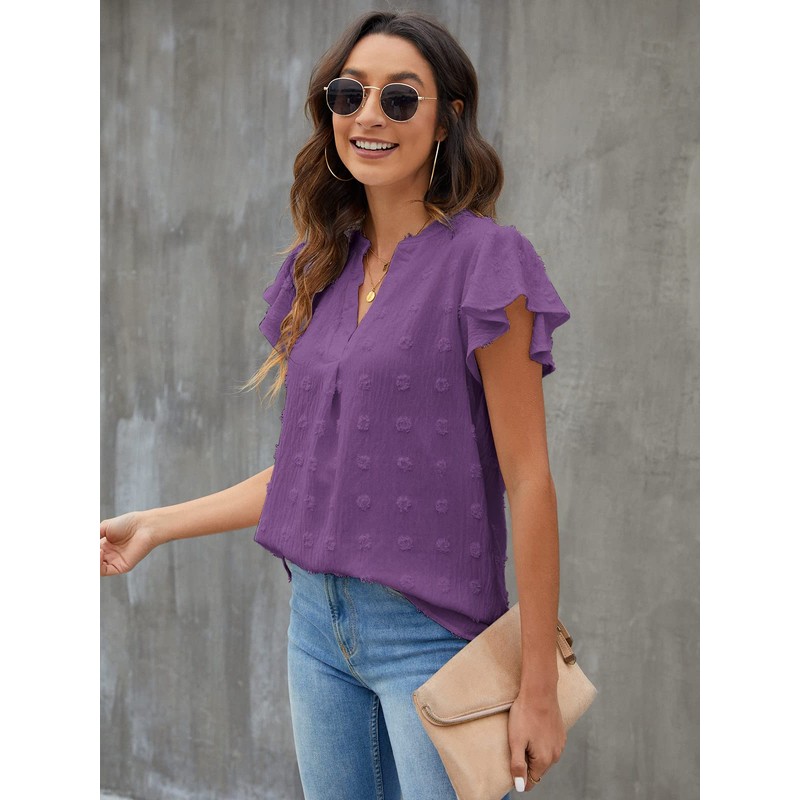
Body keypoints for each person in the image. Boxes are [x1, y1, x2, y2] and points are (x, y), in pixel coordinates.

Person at [101, 9, 572, 798]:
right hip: (317, 630)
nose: (368, 116)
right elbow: (310, 476)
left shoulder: (488, 262)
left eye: (400, 98)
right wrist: (155, 524)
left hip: (432, 636)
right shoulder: (319, 267)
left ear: (447, 119)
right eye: (350, 95)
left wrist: (538, 687)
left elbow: (529, 481)